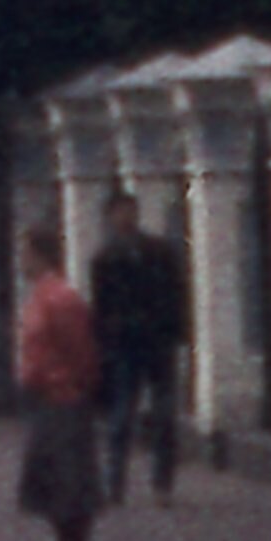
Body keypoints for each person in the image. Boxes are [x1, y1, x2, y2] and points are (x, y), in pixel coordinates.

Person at [13, 219, 103, 541]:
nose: (21, 260)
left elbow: (79, 348)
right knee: (52, 481)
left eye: (25, 253)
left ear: (40, 255)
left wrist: (73, 382)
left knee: (69, 482)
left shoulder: (60, 299)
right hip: (44, 397)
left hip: (63, 397)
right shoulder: (39, 296)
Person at [92, 198, 190, 505]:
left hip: (158, 343)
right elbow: (101, 306)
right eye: (119, 212)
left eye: (130, 211)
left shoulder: (160, 252)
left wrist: (176, 332)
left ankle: (162, 484)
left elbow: (176, 293)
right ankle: (115, 482)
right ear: (111, 217)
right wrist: (104, 345)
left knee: (164, 415)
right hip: (124, 346)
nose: (125, 217)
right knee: (121, 417)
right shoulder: (104, 258)